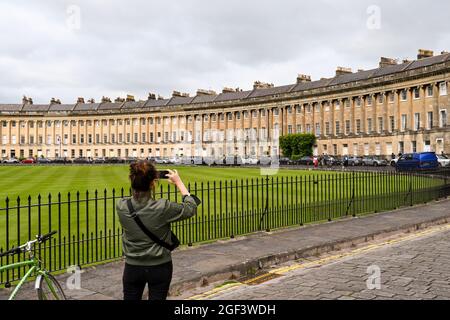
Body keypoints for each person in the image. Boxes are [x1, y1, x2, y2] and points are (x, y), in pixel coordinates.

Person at [116, 160, 199, 300]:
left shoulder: (121, 205)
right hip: (160, 266)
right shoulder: (162, 207)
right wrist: (179, 182)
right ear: (153, 183)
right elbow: (190, 208)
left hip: (132, 267)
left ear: (132, 180)